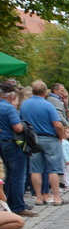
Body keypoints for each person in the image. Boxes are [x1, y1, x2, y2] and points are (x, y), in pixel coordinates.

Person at [19, 81, 66, 206]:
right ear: (45, 92)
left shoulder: (24, 105)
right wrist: (60, 136)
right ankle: (56, 197)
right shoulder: (48, 105)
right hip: (49, 138)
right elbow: (57, 124)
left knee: (35, 169)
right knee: (53, 170)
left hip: (32, 139)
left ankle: (39, 197)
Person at [2, 84, 35, 218]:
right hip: (12, 143)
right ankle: (18, 206)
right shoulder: (9, 108)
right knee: (18, 177)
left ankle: (6, 204)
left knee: (5, 176)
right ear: (11, 96)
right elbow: (18, 128)